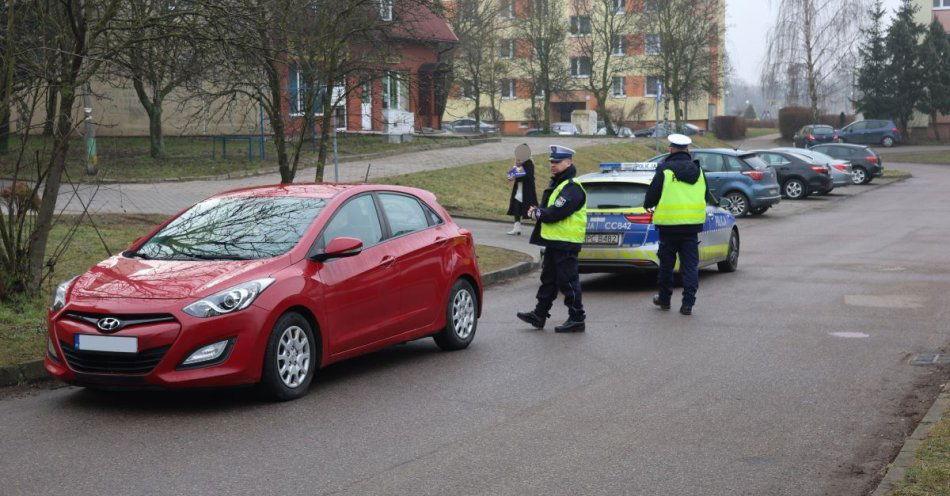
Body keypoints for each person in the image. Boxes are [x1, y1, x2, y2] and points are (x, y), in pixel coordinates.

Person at [643, 134, 717, 316]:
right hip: (692, 227)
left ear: (671, 149)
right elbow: (706, 196)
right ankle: (688, 304)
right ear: (688, 150)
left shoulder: (664, 169)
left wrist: (647, 204)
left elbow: (652, 196)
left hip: (668, 227)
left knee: (667, 265)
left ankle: (665, 299)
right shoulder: (699, 171)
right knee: (690, 266)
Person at [516, 145, 587, 333]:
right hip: (555, 241)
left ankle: (577, 318)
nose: (553, 165)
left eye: (557, 162)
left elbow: (557, 211)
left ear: (569, 162)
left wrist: (538, 213)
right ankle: (539, 314)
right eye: (552, 162)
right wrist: (539, 212)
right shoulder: (559, 184)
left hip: (566, 243)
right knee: (549, 279)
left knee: (568, 281)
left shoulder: (572, 187)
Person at [506, 143, 538, 235]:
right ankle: (517, 227)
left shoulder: (529, 163)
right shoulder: (518, 163)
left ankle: (540, 228)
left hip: (527, 191)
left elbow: (528, 176)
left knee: (532, 211)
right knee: (516, 208)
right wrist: (514, 171)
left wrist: (517, 174)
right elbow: (510, 176)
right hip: (518, 190)